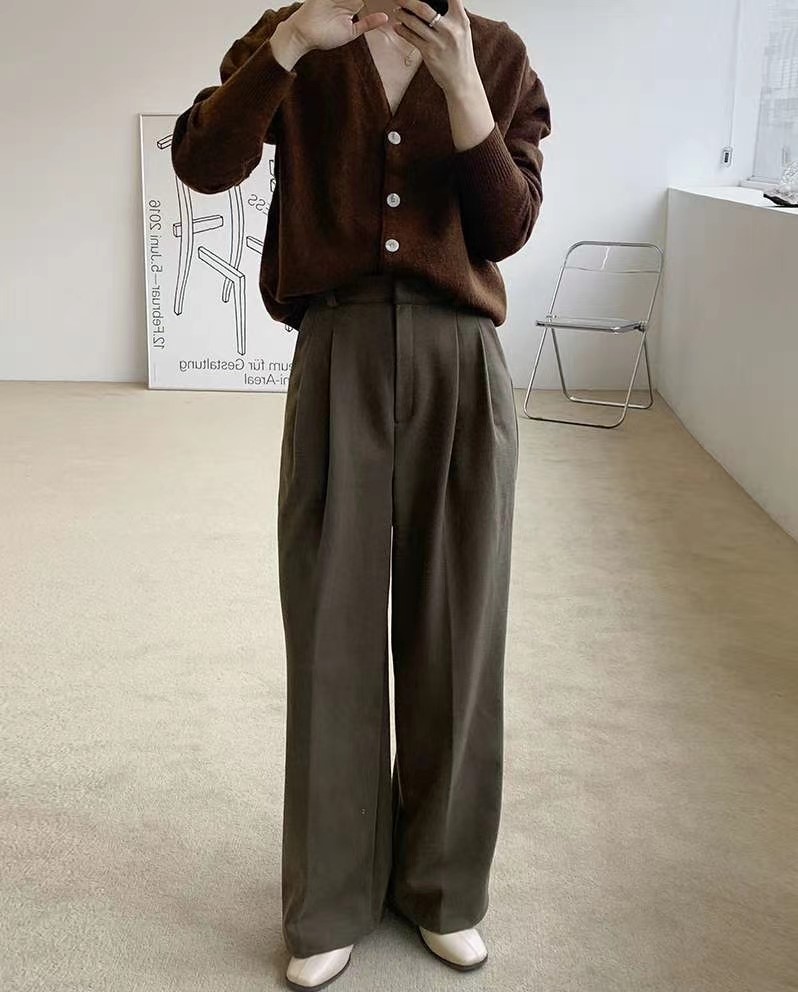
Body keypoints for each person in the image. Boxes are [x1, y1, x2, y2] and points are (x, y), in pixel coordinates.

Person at [170, 1, 552, 988]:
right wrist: (291, 46)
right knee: (329, 629)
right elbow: (202, 161)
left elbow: (506, 227)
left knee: (457, 629)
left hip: (460, 361)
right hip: (336, 349)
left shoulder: (495, 52)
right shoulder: (291, 36)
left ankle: (442, 886)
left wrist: (462, 87)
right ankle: (331, 896)